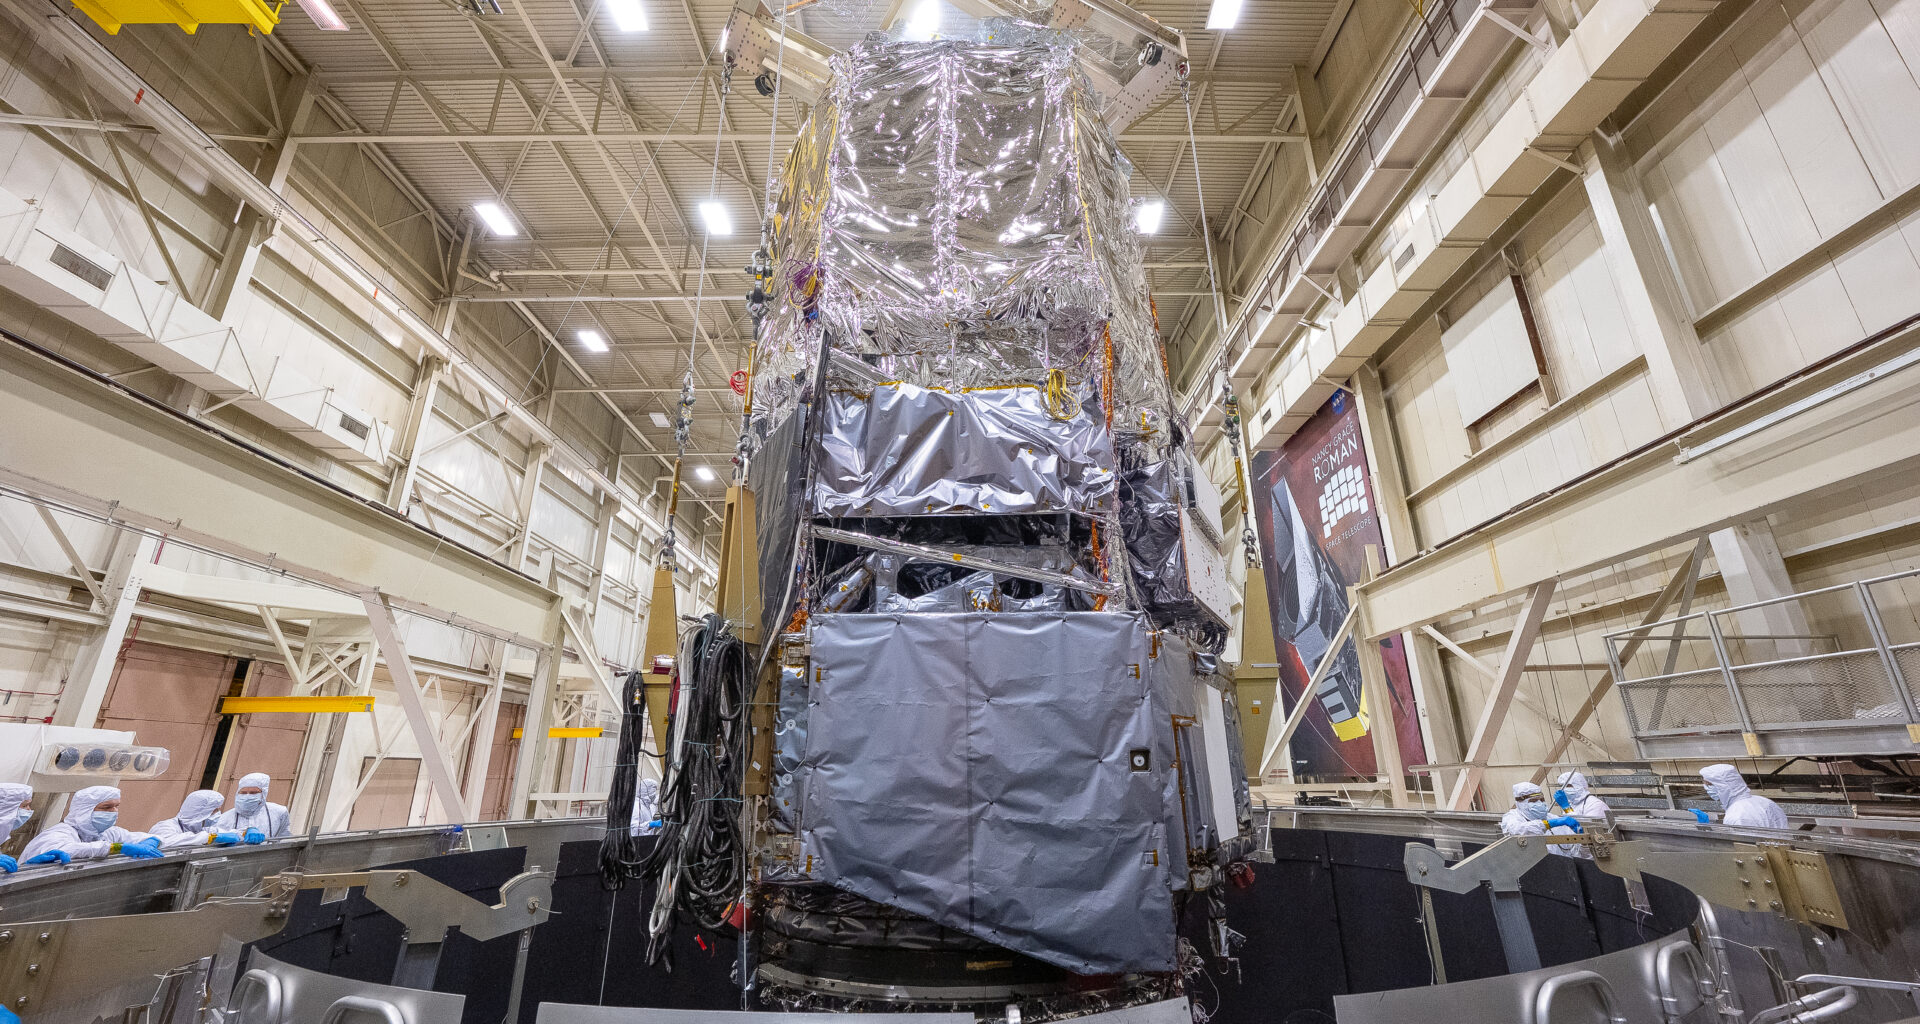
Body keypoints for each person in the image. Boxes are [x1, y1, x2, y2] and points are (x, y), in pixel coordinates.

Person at [20, 786, 162, 862]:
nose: (114, 812)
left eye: (116, 806)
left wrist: (151, 842)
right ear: (85, 811)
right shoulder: (59, 832)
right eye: (106, 807)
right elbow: (64, 850)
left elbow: (147, 837)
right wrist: (117, 848)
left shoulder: (107, 833)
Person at [1701, 763, 1789, 829]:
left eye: (1709, 785)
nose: (1706, 788)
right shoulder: (1765, 802)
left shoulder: (1736, 816)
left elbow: (1744, 845)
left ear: (1722, 787)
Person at [151, 790, 244, 850]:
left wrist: (244, 833)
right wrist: (210, 838)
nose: (218, 814)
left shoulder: (200, 829)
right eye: (215, 810)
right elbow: (167, 842)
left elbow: (226, 833)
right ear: (202, 813)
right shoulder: (164, 827)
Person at [214, 773, 289, 840]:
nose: (247, 796)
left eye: (253, 793)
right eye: (243, 793)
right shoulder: (224, 818)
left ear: (263, 794)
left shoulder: (279, 812)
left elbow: (284, 838)